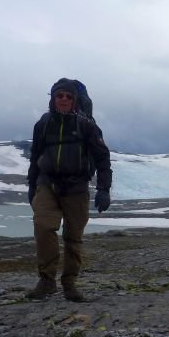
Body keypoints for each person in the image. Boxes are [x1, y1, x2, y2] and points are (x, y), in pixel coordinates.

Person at [26, 78, 112, 301]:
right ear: (53, 99)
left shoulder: (87, 126)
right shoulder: (43, 124)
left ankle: (69, 284)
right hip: (47, 185)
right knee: (44, 227)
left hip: (76, 188)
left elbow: (103, 159)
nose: (63, 99)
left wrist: (104, 189)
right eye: (59, 95)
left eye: (68, 96)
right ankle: (46, 281)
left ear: (75, 100)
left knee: (73, 237)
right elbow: (35, 157)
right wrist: (32, 185)